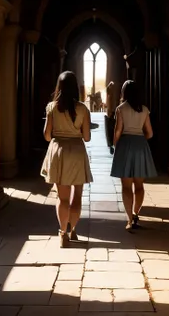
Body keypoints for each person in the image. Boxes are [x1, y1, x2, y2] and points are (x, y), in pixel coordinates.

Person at [41, 71, 93, 247]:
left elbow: (47, 136)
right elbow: (87, 137)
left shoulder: (51, 107)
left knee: (62, 198)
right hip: (77, 151)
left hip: (59, 152)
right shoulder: (83, 109)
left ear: (59, 87)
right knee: (77, 195)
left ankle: (62, 233)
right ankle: (73, 229)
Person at [110, 80, 157, 231]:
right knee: (139, 184)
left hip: (125, 145)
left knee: (126, 186)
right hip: (140, 145)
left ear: (124, 93)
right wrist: (140, 138)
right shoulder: (144, 110)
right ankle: (136, 213)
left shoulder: (120, 109)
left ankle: (129, 218)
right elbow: (150, 133)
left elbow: (118, 130)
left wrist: (115, 144)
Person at [105, 81, 117, 154]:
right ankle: (112, 144)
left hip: (111, 114)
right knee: (112, 130)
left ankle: (111, 144)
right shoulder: (111, 96)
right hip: (112, 113)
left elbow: (109, 106)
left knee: (110, 130)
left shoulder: (110, 96)